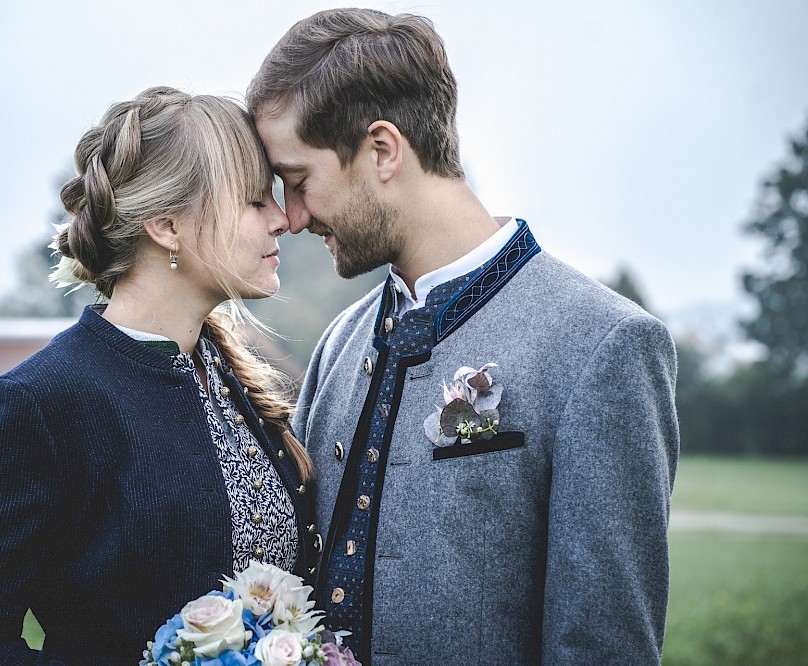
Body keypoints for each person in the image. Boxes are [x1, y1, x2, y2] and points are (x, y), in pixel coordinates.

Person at [247, 8, 679, 665]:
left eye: (301, 181)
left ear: (384, 150)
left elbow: (603, 648)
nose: (293, 215)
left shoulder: (602, 344)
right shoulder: (338, 343)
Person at [0, 86, 316, 665]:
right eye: (255, 201)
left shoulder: (235, 375)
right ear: (167, 225)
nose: (282, 219)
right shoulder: (39, 404)